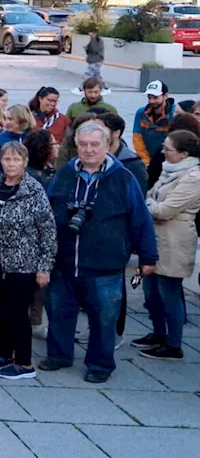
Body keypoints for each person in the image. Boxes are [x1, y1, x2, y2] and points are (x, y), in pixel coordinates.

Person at [43, 121, 158, 383]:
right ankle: (59, 355)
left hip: (105, 265)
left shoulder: (123, 177)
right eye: (83, 145)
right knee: (59, 311)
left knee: (104, 318)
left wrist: (148, 257)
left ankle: (100, 364)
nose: (89, 150)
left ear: (107, 146)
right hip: (63, 261)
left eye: (95, 144)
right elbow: (47, 210)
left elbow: (140, 219)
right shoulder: (65, 174)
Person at [0, 141, 57, 380]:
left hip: (23, 264)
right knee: (1, 310)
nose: (11, 164)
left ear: (25, 162)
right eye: (7, 159)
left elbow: (48, 231)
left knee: (18, 313)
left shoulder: (33, 190)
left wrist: (44, 267)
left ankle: (24, 363)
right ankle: (5, 356)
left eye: (16, 159)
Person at [134, 129, 199, 361]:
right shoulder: (169, 169)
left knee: (169, 292)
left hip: (175, 241)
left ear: (183, 153)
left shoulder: (193, 177)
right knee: (150, 291)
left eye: (167, 149)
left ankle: (174, 344)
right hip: (156, 237)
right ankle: (158, 333)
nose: (162, 152)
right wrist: (153, 207)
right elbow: (150, 198)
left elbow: (166, 209)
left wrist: (152, 207)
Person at [134, 80, 176, 163]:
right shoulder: (141, 113)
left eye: (155, 97)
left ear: (166, 96)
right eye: (149, 97)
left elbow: (178, 141)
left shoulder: (175, 114)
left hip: (169, 160)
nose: (151, 101)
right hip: (147, 159)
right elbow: (137, 138)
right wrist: (146, 162)